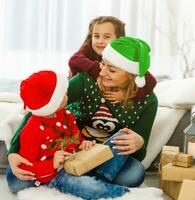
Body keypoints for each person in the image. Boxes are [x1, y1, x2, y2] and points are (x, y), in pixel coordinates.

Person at [7, 36, 158, 194]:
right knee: (18, 180)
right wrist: (13, 152)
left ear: (131, 75)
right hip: (71, 148)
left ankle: (81, 178)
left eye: (112, 70)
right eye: (103, 63)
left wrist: (139, 142)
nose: (103, 72)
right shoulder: (85, 81)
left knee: (135, 173)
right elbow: (41, 111)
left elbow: (139, 154)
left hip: (105, 157)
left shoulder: (148, 102)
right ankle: (84, 178)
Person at [6, 70, 129, 199]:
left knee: (121, 138)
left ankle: (99, 176)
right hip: (58, 175)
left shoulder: (67, 115)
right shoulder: (32, 129)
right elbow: (27, 168)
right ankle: (124, 194)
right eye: (63, 94)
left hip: (77, 160)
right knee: (90, 187)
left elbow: (75, 138)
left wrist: (82, 144)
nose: (67, 95)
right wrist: (52, 163)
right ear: (52, 103)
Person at [69, 16, 157, 103]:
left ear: (119, 39)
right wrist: (98, 72)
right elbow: (74, 60)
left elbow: (150, 81)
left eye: (107, 37)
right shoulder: (88, 48)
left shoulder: (124, 56)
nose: (100, 41)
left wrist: (128, 94)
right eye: (96, 36)